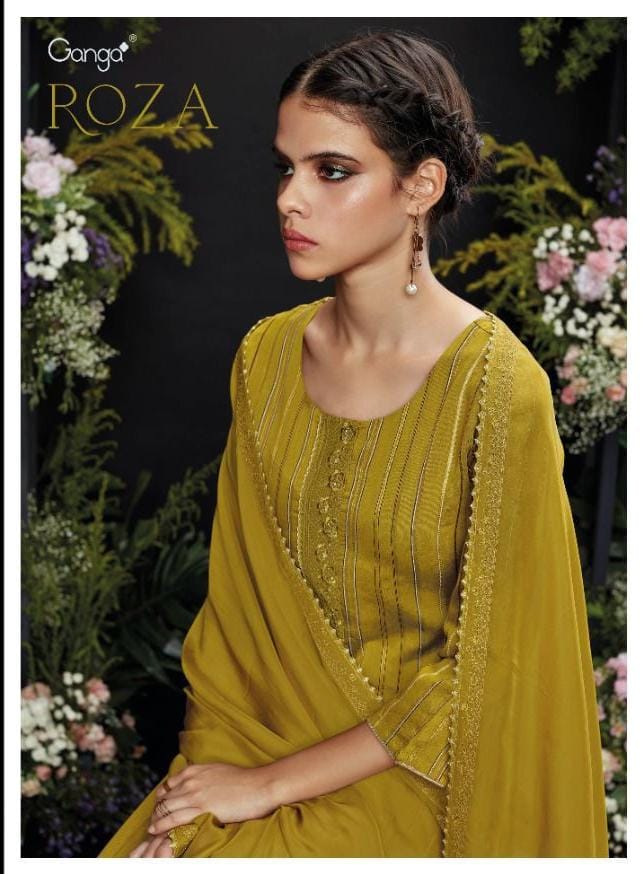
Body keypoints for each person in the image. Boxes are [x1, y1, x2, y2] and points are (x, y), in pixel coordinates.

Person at [98, 28, 609, 858]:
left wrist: (269, 787)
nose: (289, 199)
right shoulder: (265, 359)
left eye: (331, 170)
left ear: (421, 186)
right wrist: (198, 797)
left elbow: (491, 669)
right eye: (286, 167)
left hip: (418, 775)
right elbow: (232, 629)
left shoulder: (495, 388)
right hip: (254, 742)